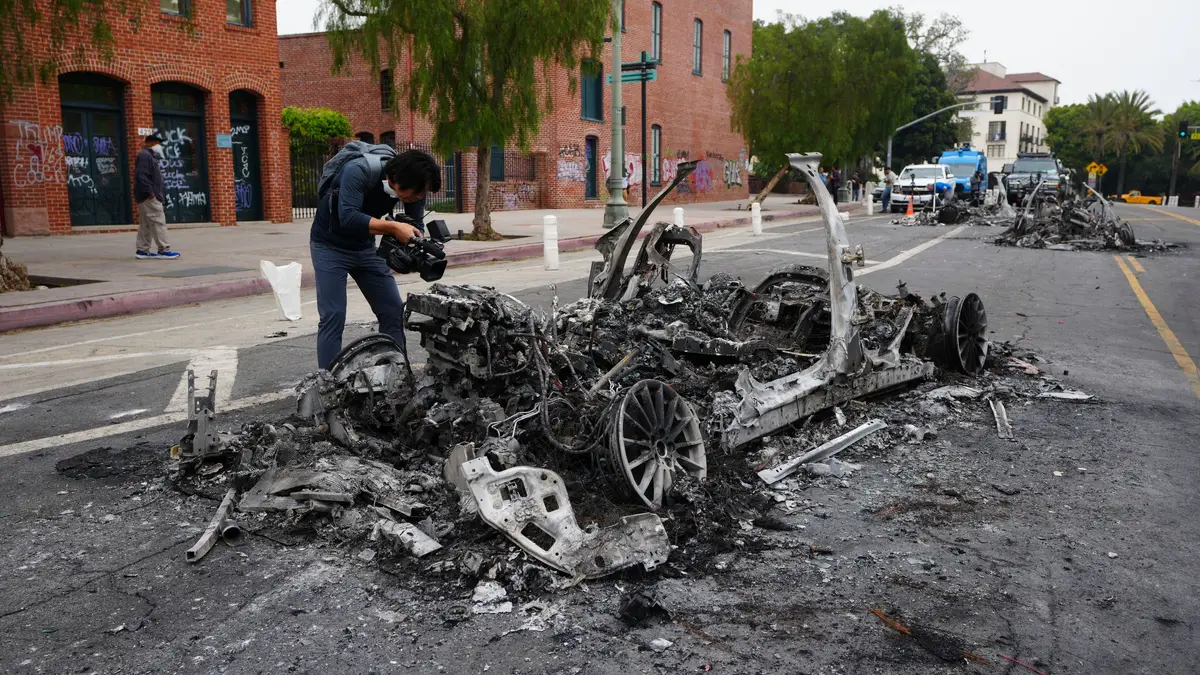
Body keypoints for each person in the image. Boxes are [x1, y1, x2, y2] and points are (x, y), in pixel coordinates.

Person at [310, 148, 442, 370]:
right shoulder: (358, 171)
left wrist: (410, 247)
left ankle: (396, 373)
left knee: (393, 310)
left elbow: (414, 224)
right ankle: (328, 384)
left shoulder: (414, 186)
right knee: (333, 315)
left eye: (423, 193)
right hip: (329, 246)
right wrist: (392, 227)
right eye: (417, 192)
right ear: (396, 179)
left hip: (365, 247)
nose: (419, 198)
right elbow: (348, 217)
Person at [133, 134, 179, 259]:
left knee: (146, 223)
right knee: (158, 221)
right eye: (155, 143)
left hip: (145, 196)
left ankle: (142, 250)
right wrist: (151, 194)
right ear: (148, 143)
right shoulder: (145, 156)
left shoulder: (148, 156)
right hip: (148, 196)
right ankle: (164, 249)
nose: (158, 146)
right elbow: (141, 176)